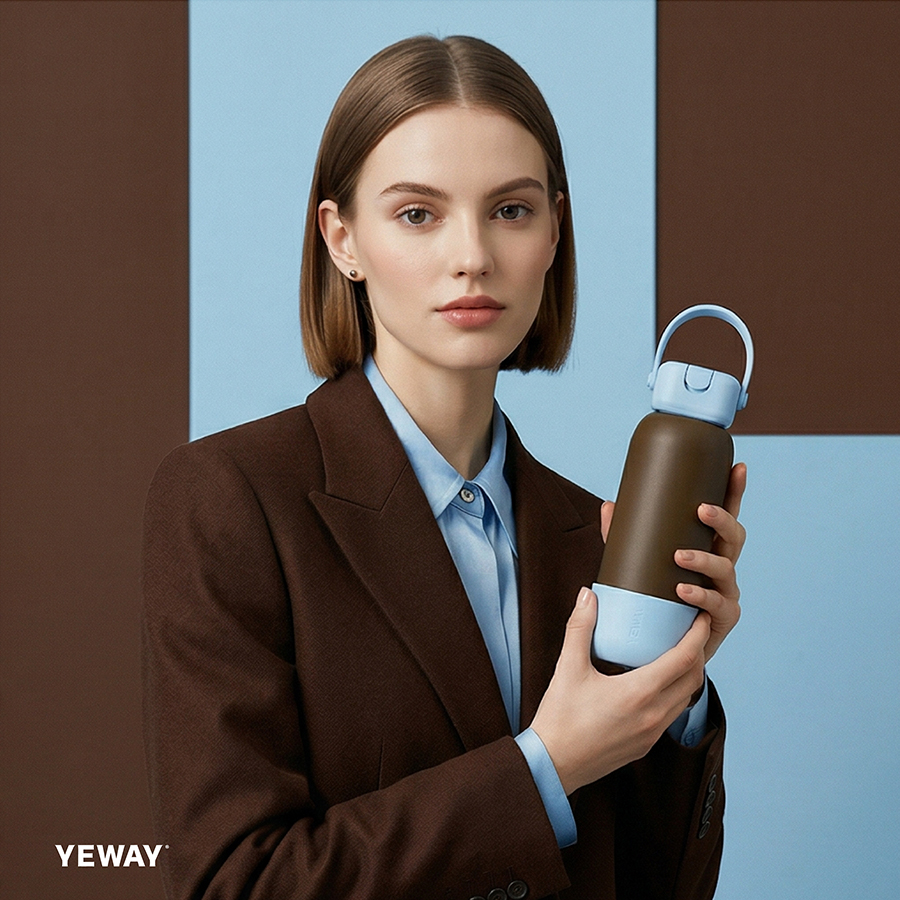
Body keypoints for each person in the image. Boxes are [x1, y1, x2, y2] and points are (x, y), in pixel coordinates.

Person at [142, 35, 745, 900]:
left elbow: (653, 885)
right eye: (418, 214)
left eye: (511, 210)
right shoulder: (231, 502)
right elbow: (237, 882)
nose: (473, 255)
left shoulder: (601, 538)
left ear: (554, 232)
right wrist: (545, 767)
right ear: (341, 238)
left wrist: (676, 692)